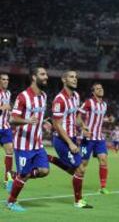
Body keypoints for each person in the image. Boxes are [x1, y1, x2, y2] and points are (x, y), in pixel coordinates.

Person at [6, 67, 50, 212]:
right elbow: (12, 119)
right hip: (23, 144)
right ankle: (11, 202)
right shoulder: (23, 96)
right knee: (24, 175)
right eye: (42, 74)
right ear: (33, 77)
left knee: (44, 171)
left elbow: (38, 117)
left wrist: (45, 123)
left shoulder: (43, 96)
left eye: (46, 74)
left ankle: (16, 176)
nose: (46, 77)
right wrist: (27, 121)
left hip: (37, 144)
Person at [47, 70, 93, 208]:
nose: (75, 79)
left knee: (74, 171)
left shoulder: (76, 96)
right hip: (62, 140)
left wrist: (83, 126)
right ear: (64, 80)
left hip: (72, 137)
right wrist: (70, 143)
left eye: (76, 77)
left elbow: (76, 118)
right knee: (80, 169)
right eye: (71, 77)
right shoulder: (59, 100)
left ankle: (51, 159)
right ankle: (78, 201)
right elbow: (57, 125)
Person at [78, 82, 112, 194]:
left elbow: (99, 119)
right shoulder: (88, 102)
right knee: (83, 163)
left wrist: (108, 120)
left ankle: (103, 187)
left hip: (99, 138)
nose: (101, 90)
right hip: (87, 139)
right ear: (93, 92)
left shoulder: (104, 105)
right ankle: (78, 184)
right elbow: (77, 117)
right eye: (98, 89)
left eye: (101, 88)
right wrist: (83, 128)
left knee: (103, 159)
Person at [0, 73, 13, 187]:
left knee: (10, 151)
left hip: (5, 128)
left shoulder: (8, 93)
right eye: (3, 79)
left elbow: (7, 111)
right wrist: (3, 107)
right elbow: (4, 108)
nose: (5, 81)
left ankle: (7, 178)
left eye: (7, 80)